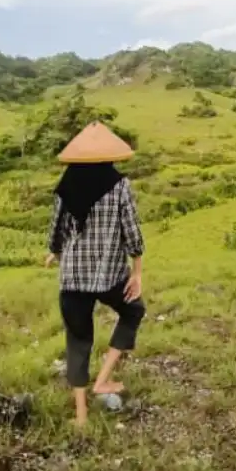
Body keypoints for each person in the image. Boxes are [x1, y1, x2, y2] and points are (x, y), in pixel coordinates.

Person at [44, 122, 146, 427]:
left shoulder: (66, 185)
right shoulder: (119, 186)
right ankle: (102, 380)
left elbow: (57, 228)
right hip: (109, 274)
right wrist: (137, 272)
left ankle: (81, 416)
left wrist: (55, 251)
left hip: (72, 278)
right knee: (133, 310)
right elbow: (132, 233)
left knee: (78, 340)